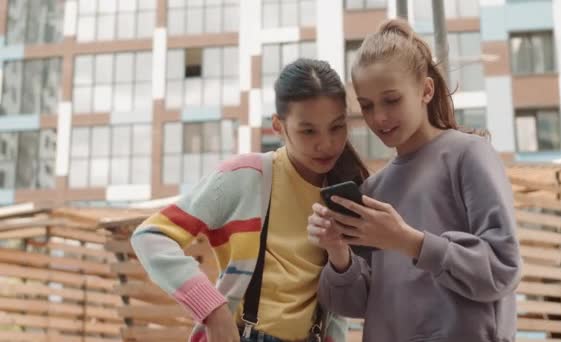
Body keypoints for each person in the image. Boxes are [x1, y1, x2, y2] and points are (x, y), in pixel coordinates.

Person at [307, 18, 521, 342]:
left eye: (391, 100)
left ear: (426, 90)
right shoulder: (372, 191)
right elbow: (354, 303)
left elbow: (502, 269)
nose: (379, 117)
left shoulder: (469, 155)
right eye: (366, 106)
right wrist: (337, 251)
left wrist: (408, 241)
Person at [131, 58, 369, 342]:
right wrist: (213, 310)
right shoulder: (245, 176)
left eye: (337, 127)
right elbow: (151, 236)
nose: (326, 143)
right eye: (308, 131)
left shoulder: (346, 193)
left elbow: (340, 305)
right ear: (278, 126)